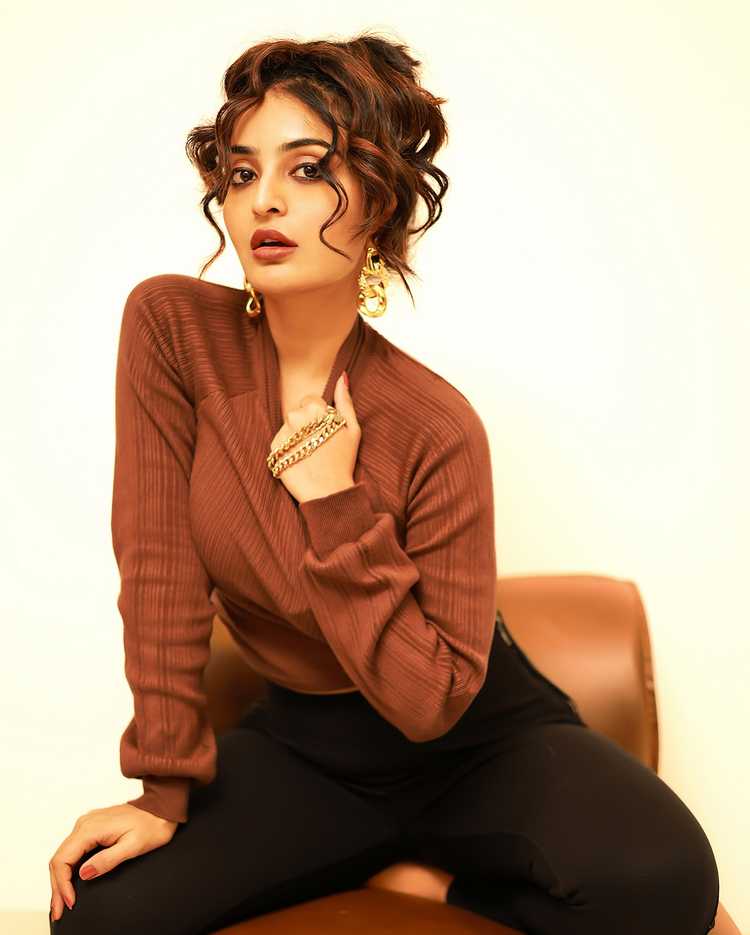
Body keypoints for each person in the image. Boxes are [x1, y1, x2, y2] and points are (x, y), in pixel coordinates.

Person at [48, 31, 720, 935]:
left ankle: (431, 879)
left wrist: (333, 501)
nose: (265, 199)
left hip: (474, 735)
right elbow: (159, 568)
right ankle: (380, 851)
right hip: (305, 746)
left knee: (668, 881)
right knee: (97, 915)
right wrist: (161, 791)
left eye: (309, 168)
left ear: (379, 200)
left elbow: (429, 699)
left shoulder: (436, 424)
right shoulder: (173, 332)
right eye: (242, 172)